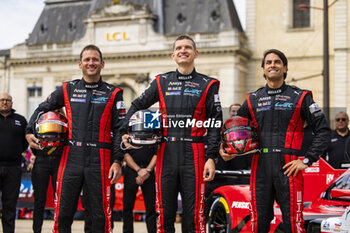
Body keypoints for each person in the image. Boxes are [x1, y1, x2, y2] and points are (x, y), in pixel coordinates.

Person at [220, 49, 330, 233]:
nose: (273, 65)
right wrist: (225, 150)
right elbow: (234, 130)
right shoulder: (252, 99)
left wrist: (306, 160)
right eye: (268, 62)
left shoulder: (301, 97)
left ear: (285, 68)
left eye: (277, 62)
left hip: (289, 167)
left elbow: (324, 131)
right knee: (258, 222)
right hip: (260, 166)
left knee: (293, 223)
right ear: (263, 69)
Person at [122, 35, 222, 232]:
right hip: (166, 151)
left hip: (194, 152)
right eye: (179, 48)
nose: (183, 50)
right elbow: (137, 104)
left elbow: (215, 123)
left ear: (196, 53)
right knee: (164, 211)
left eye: (187, 47)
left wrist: (211, 157)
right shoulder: (162, 81)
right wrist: (125, 129)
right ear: (173, 54)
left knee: (193, 214)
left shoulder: (208, 84)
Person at [25, 44, 126, 233]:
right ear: (79, 64)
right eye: (87, 59)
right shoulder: (67, 89)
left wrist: (118, 160)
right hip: (71, 158)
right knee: (62, 213)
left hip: (101, 159)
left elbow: (120, 129)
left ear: (102, 64)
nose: (91, 63)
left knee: (100, 215)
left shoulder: (114, 93)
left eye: (95, 59)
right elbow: (41, 108)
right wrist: (29, 131)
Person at [0, 92, 28, 233]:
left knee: (10, 205)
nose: (5, 102)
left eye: (8, 100)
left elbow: (25, 142)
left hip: (13, 168)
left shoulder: (21, 120)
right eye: (2, 100)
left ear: (12, 103)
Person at [123, 146, 157, 233]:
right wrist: (138, 170)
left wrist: (148, 170)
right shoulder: (127, 132)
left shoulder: (154, 132)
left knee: (151, 208)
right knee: (127, 207)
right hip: (131, 170)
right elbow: (124, 153)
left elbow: (157, 153)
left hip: (149, 171)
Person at [31, 146, 62, 233]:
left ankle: (59, 229)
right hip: (41, 157)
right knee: (39, 201)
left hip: (59, 158)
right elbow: (29, 137)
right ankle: (36, 230)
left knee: (60, 200)